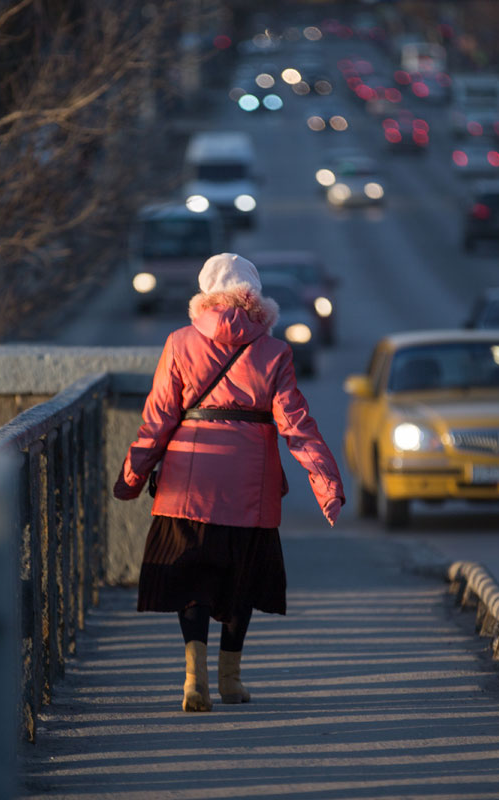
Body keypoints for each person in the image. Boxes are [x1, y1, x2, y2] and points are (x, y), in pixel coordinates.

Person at [113, 253, 345, 713]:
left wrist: (133, 474)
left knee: (193, 578)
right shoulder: (275, 352)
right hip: (249, 486)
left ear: (205, 293)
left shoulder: (179, 342)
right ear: (255, 296)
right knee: (242, 579)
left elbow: (158, 419)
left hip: (188, 483)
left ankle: (192, 680)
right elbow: (297, 426)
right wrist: (326, 482)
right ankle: (230, 681)